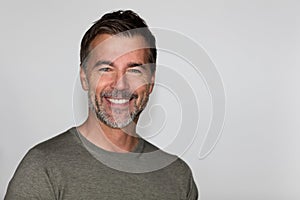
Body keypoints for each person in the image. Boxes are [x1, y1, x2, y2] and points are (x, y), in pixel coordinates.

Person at [5, 10, 198, 200]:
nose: (120, 84)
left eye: (134, 70)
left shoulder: (178, 177)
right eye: (106, 68)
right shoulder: (43, 168)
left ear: (151, 82)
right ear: (84, 78)